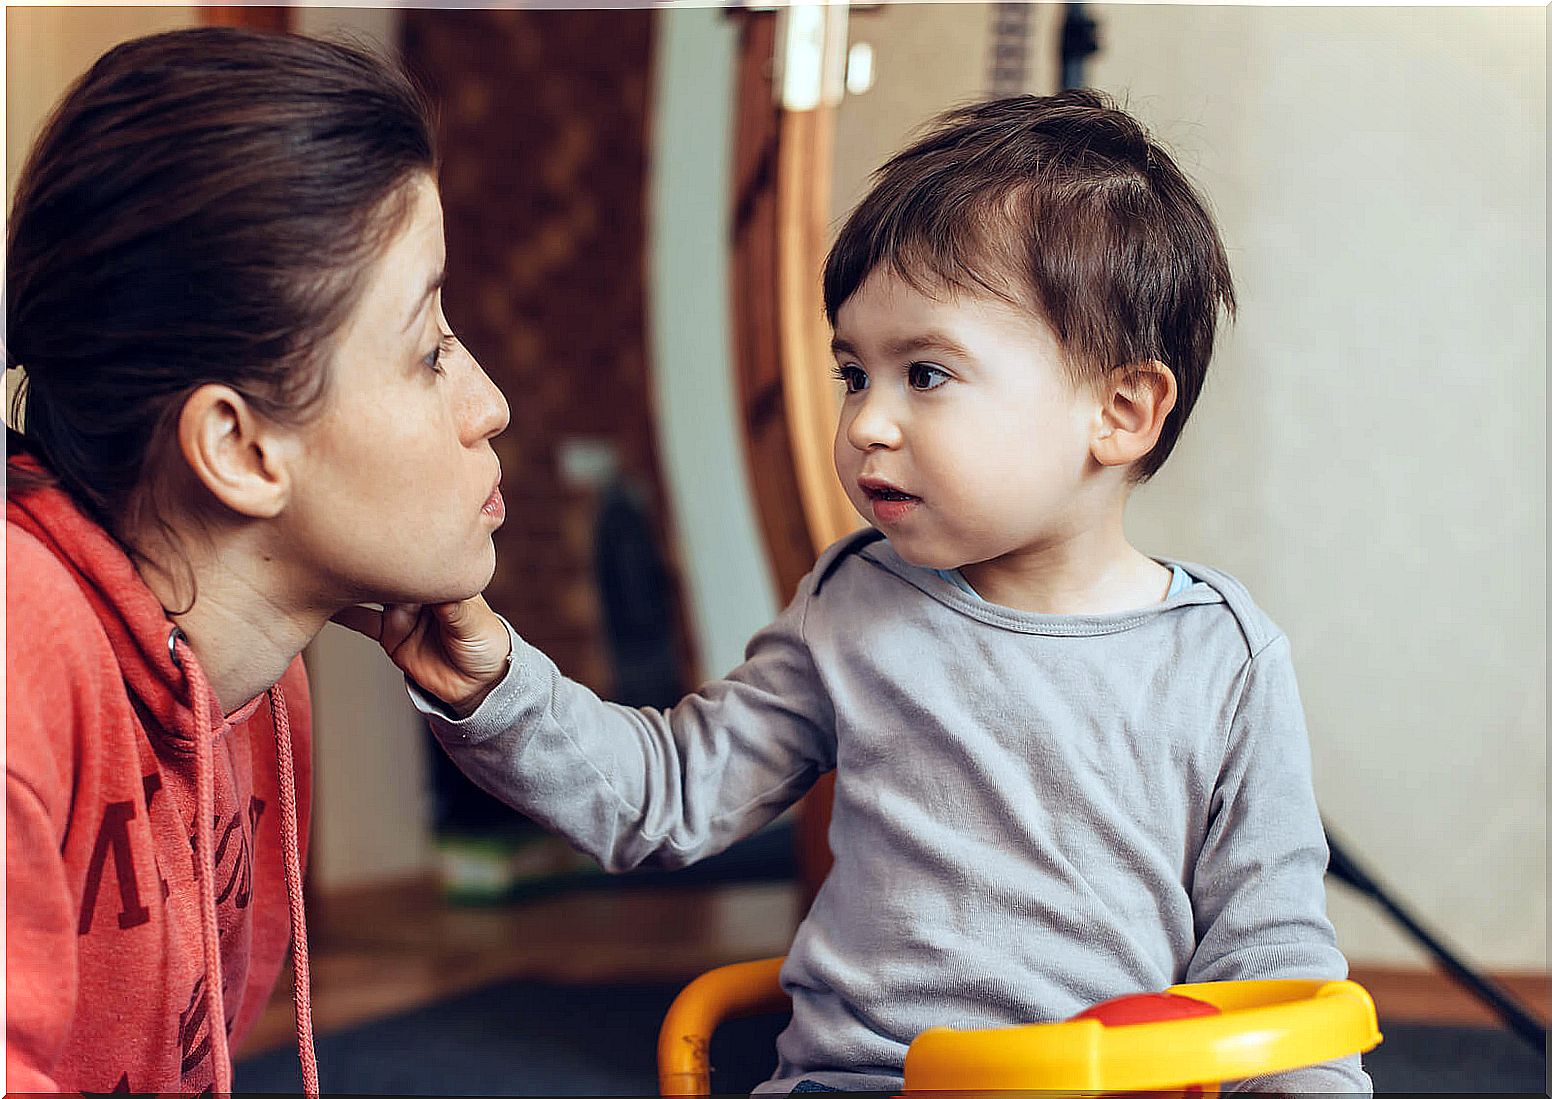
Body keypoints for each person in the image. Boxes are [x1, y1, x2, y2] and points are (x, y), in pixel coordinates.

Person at [345, 92, 1370, 1093]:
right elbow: (663, 796)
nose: (868, 422)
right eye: (853, 372)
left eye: (923, 374)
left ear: (1119, 409)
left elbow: (1275, 962)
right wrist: (496, 691)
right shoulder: (853, 602)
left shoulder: (1224, 661)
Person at [5, 28, 509, 1095]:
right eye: (428, 351)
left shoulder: (262, 684)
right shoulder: (20, 651)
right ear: (238, 447)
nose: (489, 406)